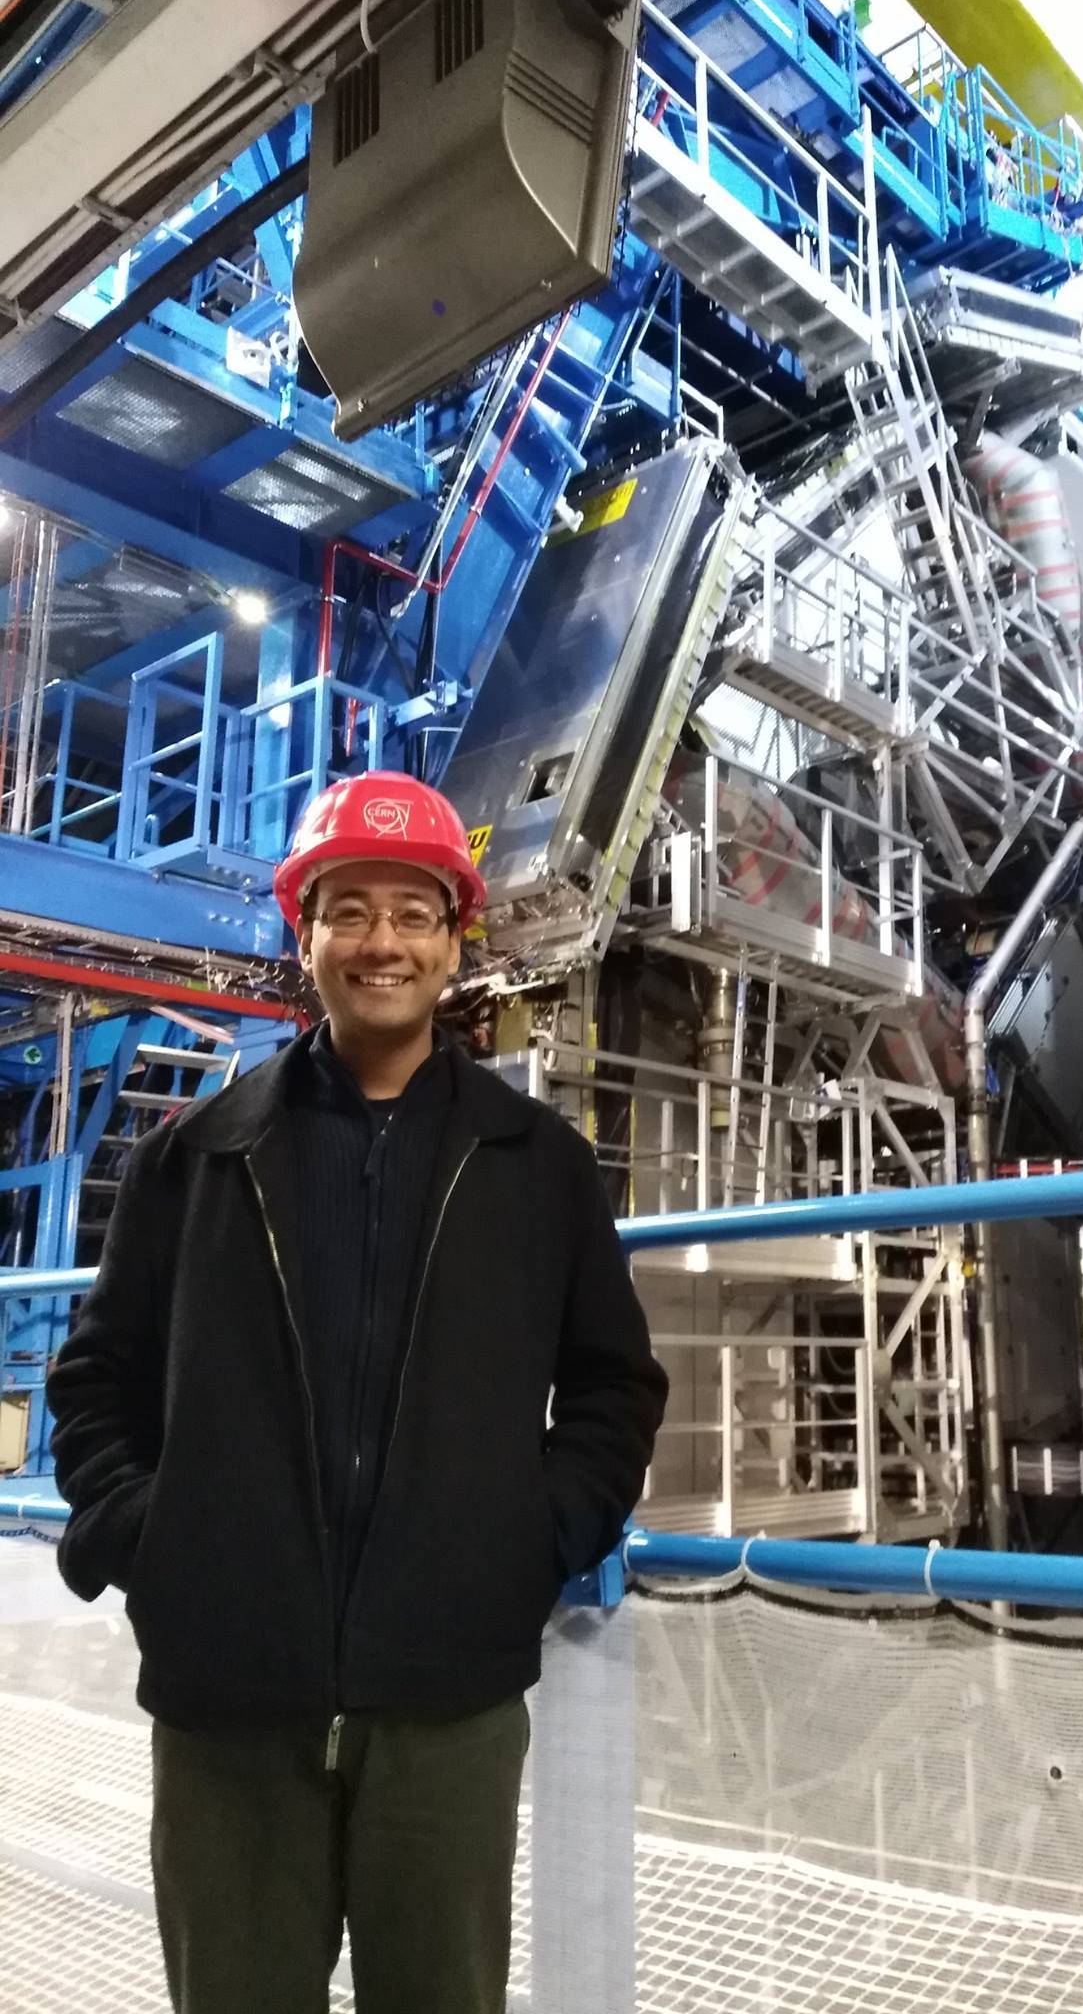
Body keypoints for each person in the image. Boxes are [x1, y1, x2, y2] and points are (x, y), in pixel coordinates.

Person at [46, 769, 668, 2014]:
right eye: (349, 909)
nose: (380, 941)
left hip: (447, 1696)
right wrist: (149, 1538)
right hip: (231, 1698)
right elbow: (95, 1379)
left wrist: (532, 1539)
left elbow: (612, 1382)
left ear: (454, 938)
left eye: (413, 912)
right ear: (306, 932)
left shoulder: (535, 1165)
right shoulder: (196, 1158)